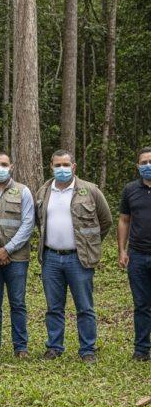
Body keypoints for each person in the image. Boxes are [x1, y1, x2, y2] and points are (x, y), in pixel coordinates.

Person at [35, 149, 112, 363]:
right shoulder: (43, 191)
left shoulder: (90, 190)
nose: (62, 169)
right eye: (57, 165)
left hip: (79, 258)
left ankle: (87, 350)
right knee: (53, 308)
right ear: (51, 167)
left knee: (85, 307)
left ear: (74, 166)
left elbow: (106, 221)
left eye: (65, 165)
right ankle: (54, 347)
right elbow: (39, 221)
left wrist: (89, 244)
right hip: (51, 258)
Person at [0, 152, 35, 358]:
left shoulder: (23, 191)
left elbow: (28, 224)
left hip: (17, 258)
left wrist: (7, 249)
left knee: (17, 303)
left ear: (11, 167)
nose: (0, 168)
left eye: (4, 164)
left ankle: (20, 347)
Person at [119, 146, 151, 362]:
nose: (148, 165)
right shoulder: (130, 190)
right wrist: (122, 250)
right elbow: (124, 220)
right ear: (137, 166)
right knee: (141, 304)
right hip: (138, 255)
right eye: (144, 162)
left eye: (150, 161)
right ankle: (141, 350)